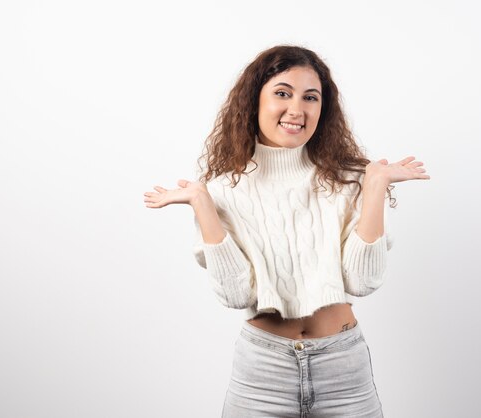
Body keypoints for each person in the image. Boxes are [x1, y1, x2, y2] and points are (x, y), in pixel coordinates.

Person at [143, 45, 430, 418]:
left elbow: (362, 282)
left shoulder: (349, 180)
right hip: (262, 372)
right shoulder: (221, 191)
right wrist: (201, 201)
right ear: (254, 101)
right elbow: (235, 295)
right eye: (282, 93)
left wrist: (374, 185)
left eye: (311, 98)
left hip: (342, 369)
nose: (297, 109)